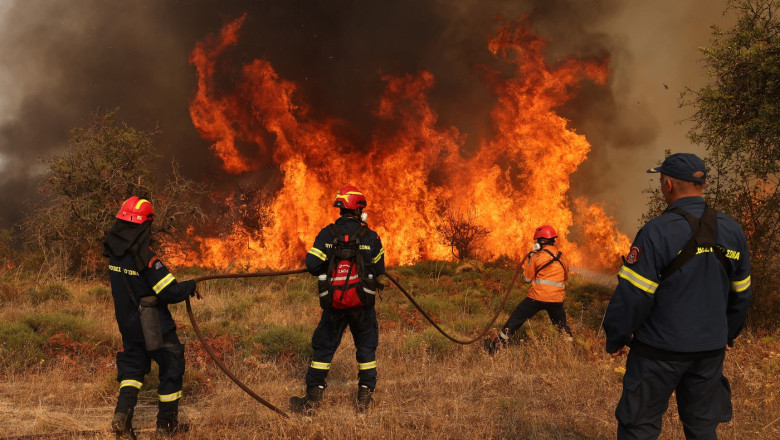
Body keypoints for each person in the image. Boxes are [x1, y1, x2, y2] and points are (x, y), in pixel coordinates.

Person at [603, 153, 752, 439]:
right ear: (703, 183)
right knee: (703, 428)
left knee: (639, 426)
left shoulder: (656, 232)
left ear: (668, 184)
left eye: (661, 181)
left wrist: (617, 336)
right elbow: (742, 294)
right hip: (709, 353)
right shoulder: (733, 230)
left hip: (657, 352)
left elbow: (634, 296)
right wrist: (726, 335)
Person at [103, 196, 199, 439]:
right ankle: (166, 427)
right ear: (145, 225)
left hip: (128, 324)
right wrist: (190, 286)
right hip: (152, 325)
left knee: (133, 369)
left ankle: (122, 417)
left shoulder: (115, 254)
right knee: (171, 365)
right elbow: (169, 292)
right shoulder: (146, 258)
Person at [290, 185, 385, 414]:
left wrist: (331, 260)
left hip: (334, 303)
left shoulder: (327, 234)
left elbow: (312, 265)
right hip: (362, 303)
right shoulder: (370, 237)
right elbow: (379, 268)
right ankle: (364, 399)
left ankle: (312, 399)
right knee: (366, 347)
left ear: (341, 209)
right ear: (359, 209)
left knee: (324, 346)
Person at [485, 224, 571, 354]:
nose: (536, 243)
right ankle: (570, 351)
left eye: (537, 241)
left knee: (515, 320)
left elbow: (526, 278)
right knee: (561, 326)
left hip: (536, 297)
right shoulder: (563, 257)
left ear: (542, 241)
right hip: (556, 299)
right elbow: (565, 277)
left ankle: (495, 348)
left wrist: (530, 260)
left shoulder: (536, 257)